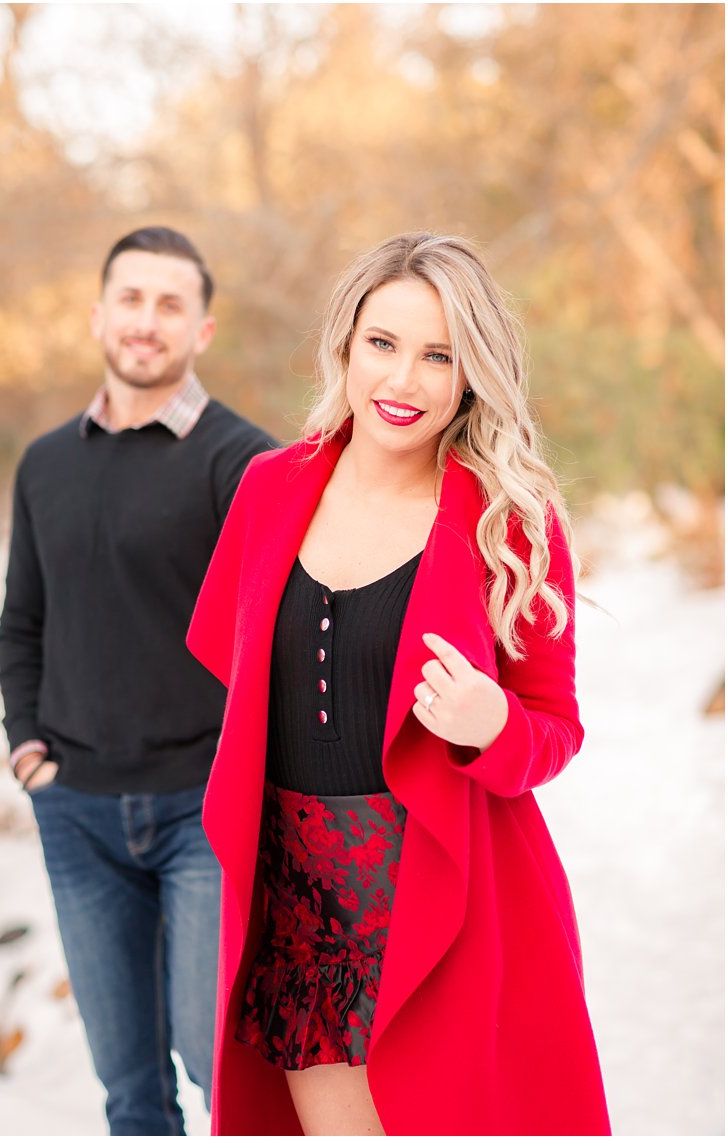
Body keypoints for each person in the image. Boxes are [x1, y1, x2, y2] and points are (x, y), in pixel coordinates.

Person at [187, 232, 609, 1135]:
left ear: (470, 375)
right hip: (300, 902)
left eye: (438, 355)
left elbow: (555, 729)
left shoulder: (510, 522)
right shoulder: (269, 489)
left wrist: (493, 721)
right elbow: (236, 671)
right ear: (344, 347)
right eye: (382, 344)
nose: (403, 380)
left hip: (447, 901)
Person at [0, 226, 275, 1135]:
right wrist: (27, 746)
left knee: (216, 1063)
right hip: (77, 812)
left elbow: (282, 629)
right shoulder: (46, 463)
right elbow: (23, 620)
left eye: (170, 304)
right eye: (131, 298)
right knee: (130, 1092)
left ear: (202, 330)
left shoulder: (243, 463)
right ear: (98, 313)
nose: (146, 321)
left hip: (204, 811)